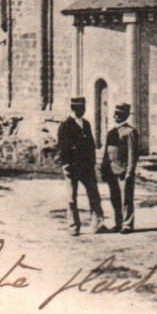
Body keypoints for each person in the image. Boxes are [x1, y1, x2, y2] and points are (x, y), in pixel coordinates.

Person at [56, 97, 106, 236]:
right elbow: (62, 148)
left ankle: (98, 224)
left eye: (84, 108)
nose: (83, 110)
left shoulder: (86, 124)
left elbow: (91, 145)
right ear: (74, 108)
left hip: (87, 168)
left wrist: (93, 163)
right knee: (71, 198)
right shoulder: (65, 125)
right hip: (72, 167)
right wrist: (66, 164)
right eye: (80, 108)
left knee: (94, 195)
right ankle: (73, 226)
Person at [101, 102, 140, 233]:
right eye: (115, 114)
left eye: (120, 114)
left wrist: (130, 171)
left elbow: (132, 153)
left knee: (126, 198)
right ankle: (118, 223)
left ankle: (127, 224)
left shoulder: (130, 132)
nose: (116, 116)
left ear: (125, 116)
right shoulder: (112, 132)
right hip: (111, 170)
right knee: (115, 198)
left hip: (123, 170)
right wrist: (104, 168)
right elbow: (106, 152)